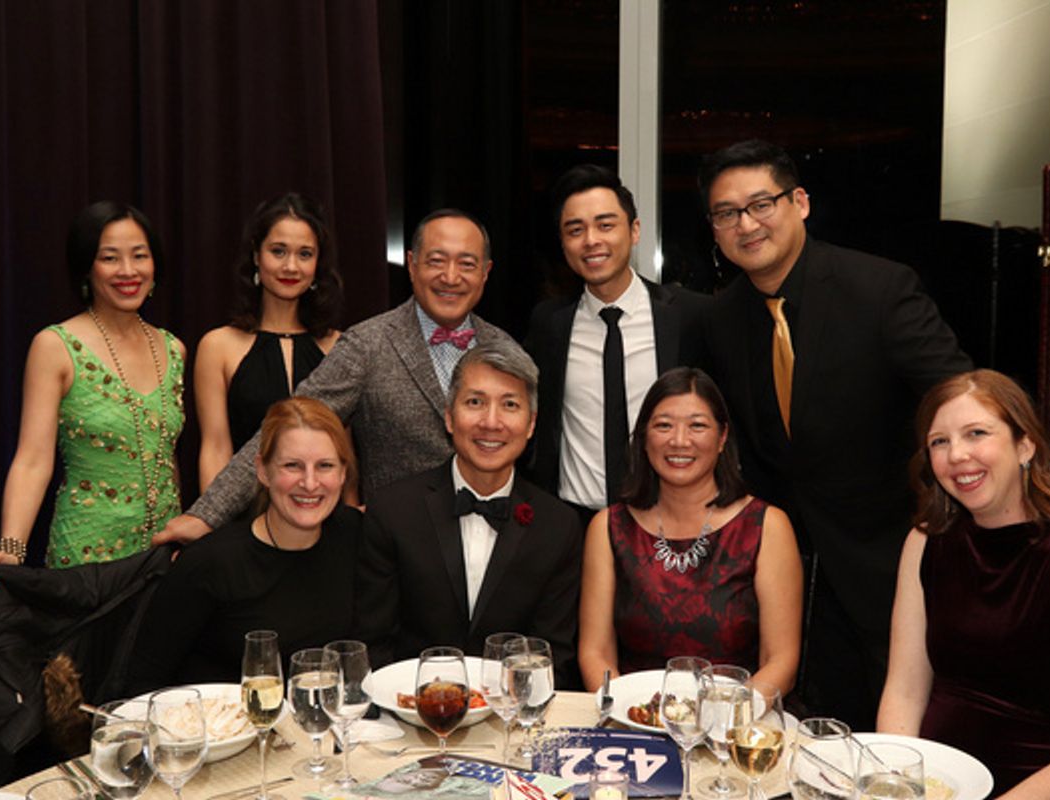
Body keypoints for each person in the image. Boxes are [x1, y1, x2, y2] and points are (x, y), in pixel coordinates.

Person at [696, 139, 1050, 728]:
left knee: (904, 739)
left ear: (799, 202)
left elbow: (967, 397)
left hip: (891, 564)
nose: (746, 224)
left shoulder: (877, 290)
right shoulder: (719, 318)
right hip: (795, 575)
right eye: (727, 213)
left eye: (761, 204)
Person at [155, 208, 519, 545]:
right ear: (411, 265)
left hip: (491, 541)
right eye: (436, 261)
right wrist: (207, 515)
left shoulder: (510, 354)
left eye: (466, 264)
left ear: (486, 272)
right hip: (397, 551)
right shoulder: (367, 344)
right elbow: (284, 427)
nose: (450, 277)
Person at [877, 370, 1050, 797]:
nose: (957, 454)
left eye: (976, 433)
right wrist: (897, 783)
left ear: (1025, 444)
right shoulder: (926, 542)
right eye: (939, 441)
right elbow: (905, 691)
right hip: (934, 786)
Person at [0, 202, 184, 584]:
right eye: (110, 258)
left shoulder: (173, 349)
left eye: (140, 256)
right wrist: (12, 548)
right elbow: (32, 460)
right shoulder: (56, 346)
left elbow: (165, 456)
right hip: (88, 556)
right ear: (87, 267)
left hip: (162, 556)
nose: (127, 271)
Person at [358, 342, 584, 687]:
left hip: (512, 717)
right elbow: (373, 644)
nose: (491, 422)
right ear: (449, 416)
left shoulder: (558, 526)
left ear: (531, 424)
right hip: (409, 716)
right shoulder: (393, 511)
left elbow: (552, 655)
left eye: (510, 405)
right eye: (475, 402)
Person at [578, 367, 802, 694]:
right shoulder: (609, 527)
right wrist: (628, 711)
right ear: (644, 437)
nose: (679, 441)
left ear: (722, 437)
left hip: (736, 725)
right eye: (664, 425)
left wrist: (727, 718)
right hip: (636, 720)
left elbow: (781, 661)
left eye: (697, 425)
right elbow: (594, 653)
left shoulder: (767, 526)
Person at [125, 397, 363, 692]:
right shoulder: (209, 563)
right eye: (292, 466)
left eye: (325, 466)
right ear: (263, 471)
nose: (310, 483)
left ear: (343, 473)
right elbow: (141, 683)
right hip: (219, 730)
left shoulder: (354, 536)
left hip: (320, 729)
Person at [525, 165, 708, 524]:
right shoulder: (549, 325)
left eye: (606, 225)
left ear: (635, 230)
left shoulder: (688, 316)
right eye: (575, 230)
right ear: (563, 244)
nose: (591, 240)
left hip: (668, 519)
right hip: (574, 523)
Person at [194, 192, 343, 491]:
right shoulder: (218, 347)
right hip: (244, 517)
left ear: (317, 263)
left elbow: (344, 450)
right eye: (278, 251)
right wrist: (214, 527)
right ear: (256, 255)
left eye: (304, 254)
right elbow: (215, 448)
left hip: (322, 514)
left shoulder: (339, 346)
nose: (291, 267)